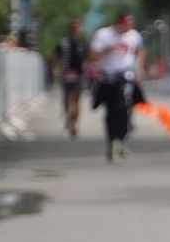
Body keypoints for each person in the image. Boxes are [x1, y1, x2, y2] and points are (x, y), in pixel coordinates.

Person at [89, 12, 144, 160]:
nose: (128, 28)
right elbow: (93, 55)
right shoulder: (103, 35)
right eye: (125, 25)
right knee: (110, 111)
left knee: (124, 107)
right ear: (118, 24)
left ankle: (122, 138)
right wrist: (107, 49)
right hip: (107, 78)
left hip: (125, 77)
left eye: (130, 25)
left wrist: (139, 70)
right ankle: (112, 140)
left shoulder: (134, 36)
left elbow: (139, 52)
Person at [53, 20, 90, 139]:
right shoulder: (63, 43)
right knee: (67, 99)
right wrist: (56, 71)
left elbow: (88, 59)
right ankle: (67, 116)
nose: (75, 31)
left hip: (79, 75)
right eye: (73, 29)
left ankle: (74, 124)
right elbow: (56, 58)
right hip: (66, 74)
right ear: (70, 30)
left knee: (77, 100)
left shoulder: (83, 44)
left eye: (77, 29)